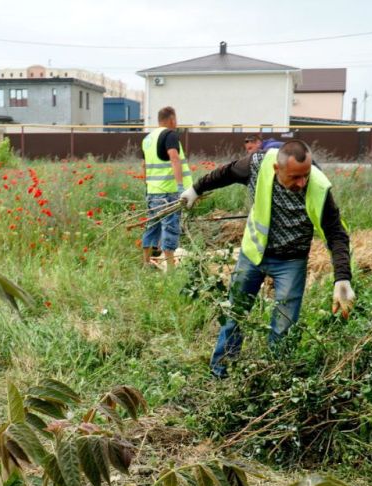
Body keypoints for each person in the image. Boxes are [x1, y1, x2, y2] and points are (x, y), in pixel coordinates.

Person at [179, 140, 354, 378]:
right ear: (276, 169)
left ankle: (274, 376)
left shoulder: (319, 186)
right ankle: (221, 372)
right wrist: (196, 189)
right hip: (253, 254)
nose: (302, 183)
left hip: (291, 262)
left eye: (305, 176)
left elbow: (336, 233)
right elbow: (227, 172)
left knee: (283, 326)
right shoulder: (257, 165)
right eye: (294, 177)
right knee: (234, 315)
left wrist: (342, 278)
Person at [140, 106, 192, 269]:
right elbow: (174, 158)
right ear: (172, 119)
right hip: (168, 192)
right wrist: (179, 187)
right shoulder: (170, 135)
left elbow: (144, 165)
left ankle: (146, 263)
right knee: (170, 227)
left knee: (152, 226)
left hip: (153, 192)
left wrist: (148, 187)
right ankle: (170, 268)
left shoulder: (148, 139)